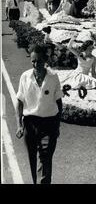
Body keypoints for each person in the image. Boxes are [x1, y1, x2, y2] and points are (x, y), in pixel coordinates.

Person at [16, 44, 62, 184]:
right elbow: (19, 102)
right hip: (30, 124)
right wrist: (19, 125)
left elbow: (59, 103)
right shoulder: (25, 77)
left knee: (45, 157)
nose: (36, 64)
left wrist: (57, 125)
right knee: (32, 157)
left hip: (49, 124)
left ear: (45, 60)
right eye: (33, 61)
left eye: (39, 61)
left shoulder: (53, 78)